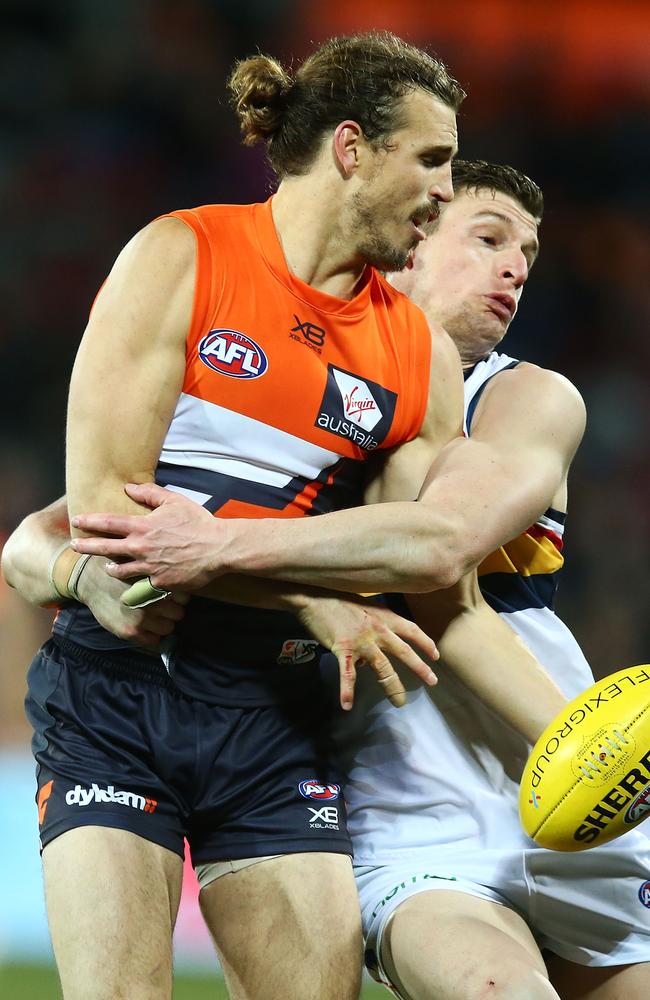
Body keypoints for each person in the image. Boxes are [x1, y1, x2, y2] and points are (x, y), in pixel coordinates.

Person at [2, 30, 475, 1000]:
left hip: (273, 717)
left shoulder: (416, 353)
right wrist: (311, 596)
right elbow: (108, 515)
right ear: (351, 148)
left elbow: (405, 557)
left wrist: (311, 595)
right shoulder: (185, 255)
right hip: (118, 692)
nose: (444, 189)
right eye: (431, 159)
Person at [322, 161, 649, 999]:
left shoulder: (529, 397)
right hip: (415, 817)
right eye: (490, 238)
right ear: (407, 240)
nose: (515, 269)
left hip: (587, 806)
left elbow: (441, 545)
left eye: (527, 258)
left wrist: (222, 544)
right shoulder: (295, 399)